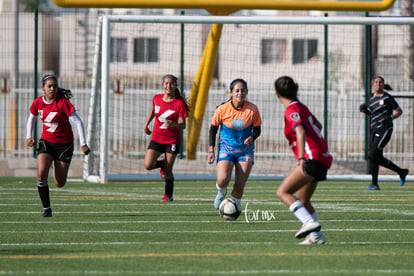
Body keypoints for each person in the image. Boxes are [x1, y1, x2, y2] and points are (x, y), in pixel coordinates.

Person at [274, 76, 332, 245]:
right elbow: (318, 126)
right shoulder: (302, 107)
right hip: (323, 158)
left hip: (311, 158)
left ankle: (309, 223)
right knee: (303, 200)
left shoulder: (291, 110)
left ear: (277, 94)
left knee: (283, 192)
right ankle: (316, 237)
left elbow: (300, 131)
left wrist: (301, 158)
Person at [26, 74, 90, 218]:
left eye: (54, 86)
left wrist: (84, 143)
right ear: (43, 88)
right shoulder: (38, 102)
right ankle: (47, 209)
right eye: (49, 86)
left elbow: (78, 122)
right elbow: (32, 118)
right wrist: (28, 137)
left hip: (64, 145)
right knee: (41, 173)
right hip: (46, 143)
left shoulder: (63, 103)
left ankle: (57, 164)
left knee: (59, 183)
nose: (52, 88)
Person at [208, 78, 262, 212]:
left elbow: (257, 129)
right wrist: (211, 151)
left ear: (247, 92)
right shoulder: (222, 109)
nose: (240, 93)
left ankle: (234, 206)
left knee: (240, 184)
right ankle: (221, 192)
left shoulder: (253, 109)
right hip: (226, 150)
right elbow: (213, 129)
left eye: (243, 90)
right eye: (237, 90)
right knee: (223, 180)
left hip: (245, 151)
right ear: (230, 93)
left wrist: (252, 137)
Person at [143, 74, 189, 202]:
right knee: (148, 164)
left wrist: (173, 124)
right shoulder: (156, 98)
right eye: (166, 83)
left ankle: (168, 195)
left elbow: (183, 125)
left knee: (168, 170)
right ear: (162, 85)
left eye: (171, 84)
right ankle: (163, 164)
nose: (169, 86)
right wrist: (146, 124)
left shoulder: (179, 103)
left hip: (172, 141)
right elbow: (153, 111)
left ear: (175, 86)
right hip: (157, 138)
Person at [359, 76, 409, 190]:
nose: (378, 84)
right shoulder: (371, 98)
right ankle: (398, 173)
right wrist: (365, 111)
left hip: (385, 129)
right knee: (374, 157)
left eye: (380, 82)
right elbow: (372, 114)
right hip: (373, 129)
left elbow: (399, 111)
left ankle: (377, 182)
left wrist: (390, 118)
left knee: (372, 154)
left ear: (383, 84)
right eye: (376, 82)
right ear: (373, 85)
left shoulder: (387, 97)